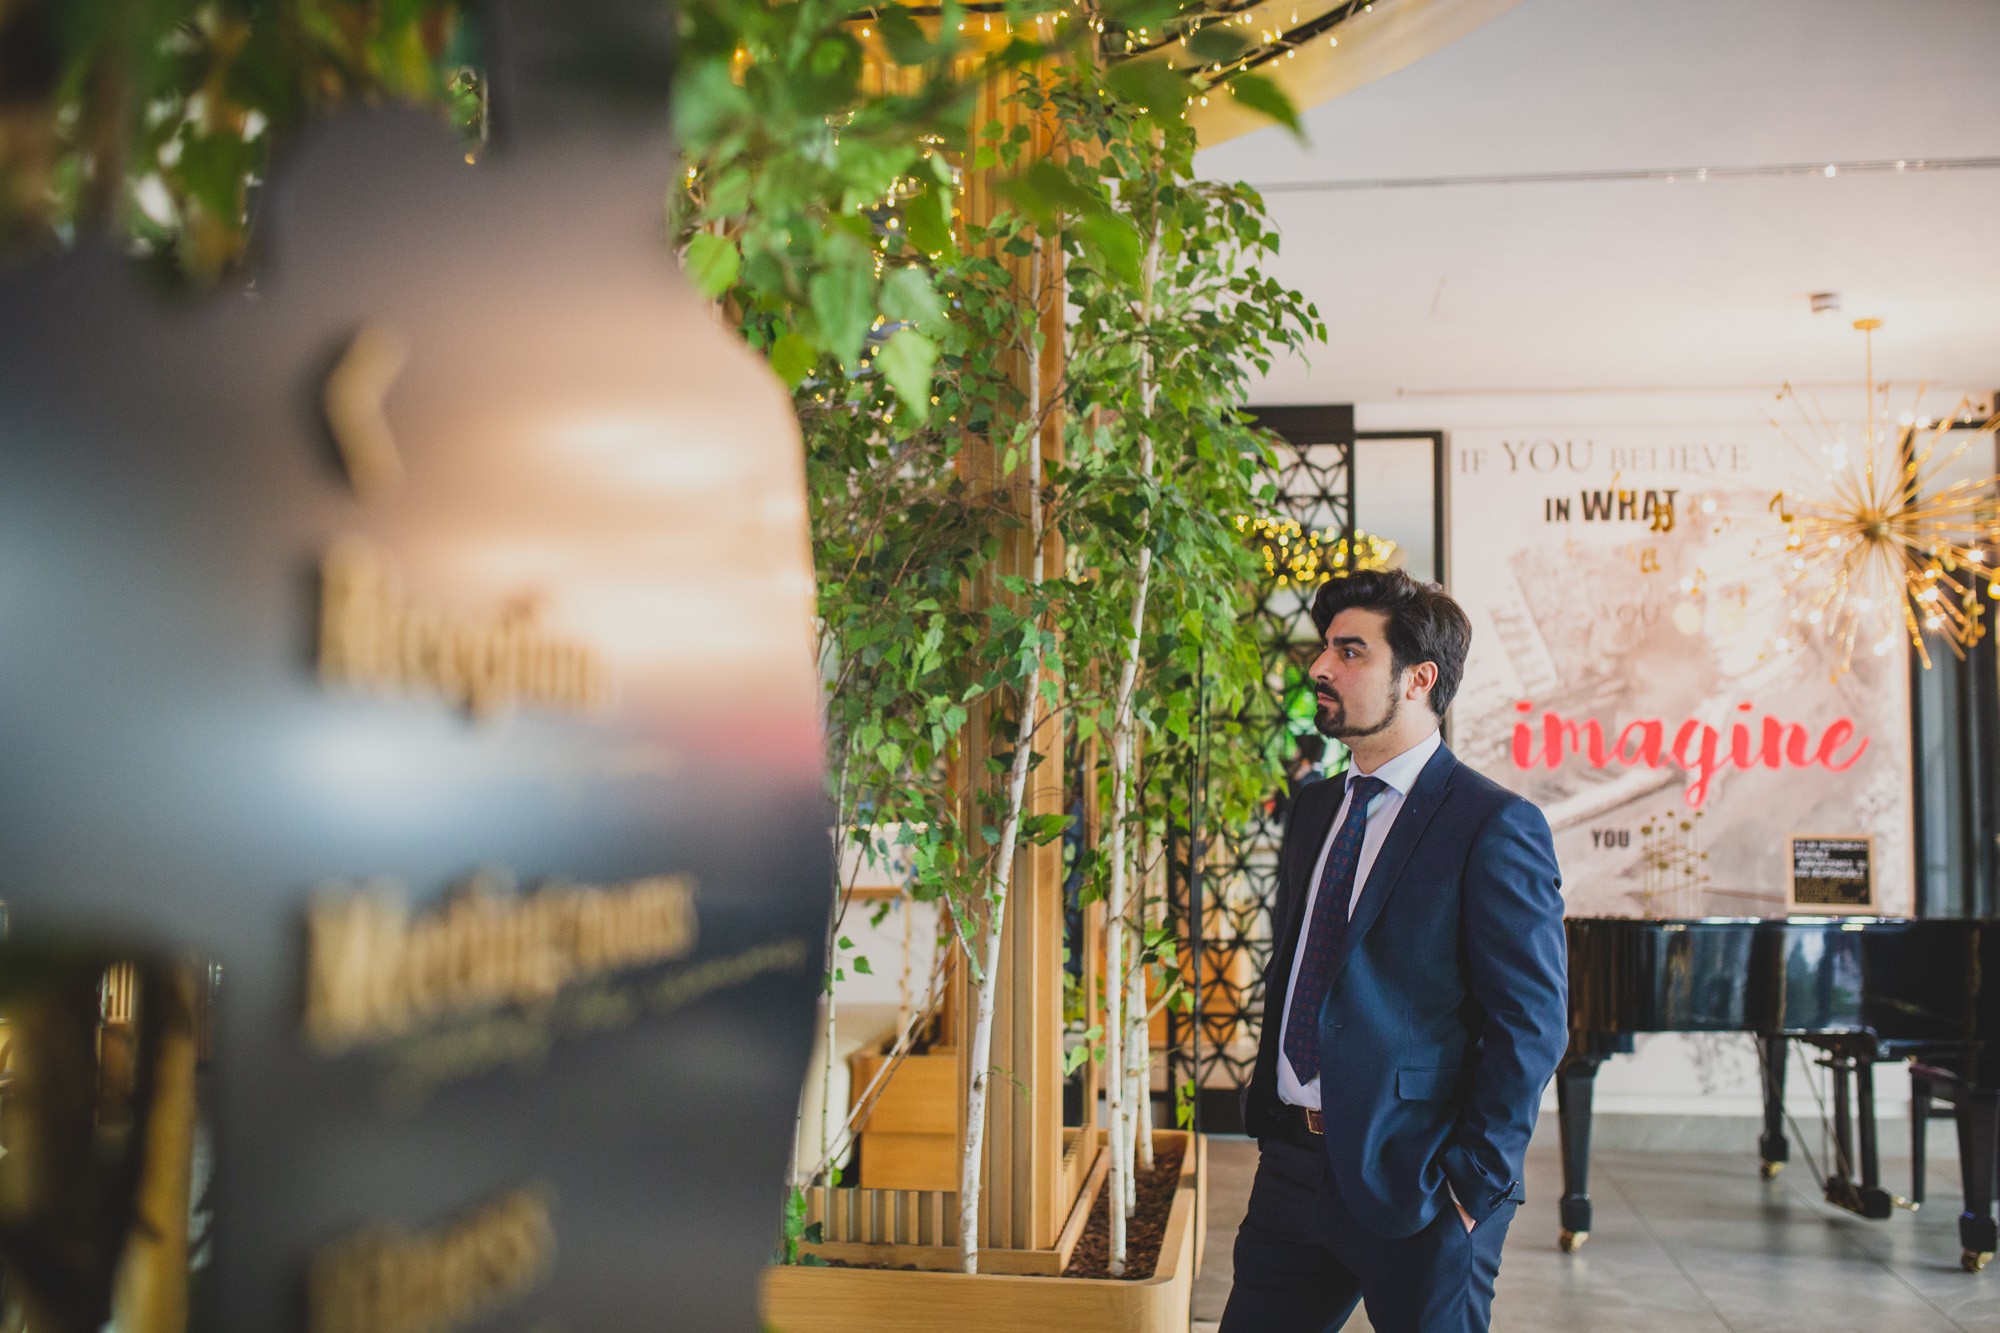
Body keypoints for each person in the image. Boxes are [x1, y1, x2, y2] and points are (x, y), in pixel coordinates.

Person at [1220, 568, 1567, 1333]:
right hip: (1293, 1170)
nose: (1320, 667)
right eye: (1325, 649)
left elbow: (1532, 1023)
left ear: (1419, 679)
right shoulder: (1315, 809)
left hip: (1418, 1182)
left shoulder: (1492, 823)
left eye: (1350, 651)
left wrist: (1471, 1188)